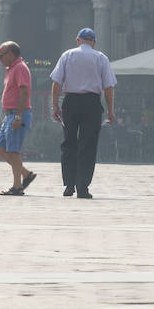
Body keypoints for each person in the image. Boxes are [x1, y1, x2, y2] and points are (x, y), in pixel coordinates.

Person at [50, 27, 117, 199]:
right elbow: (108, 87)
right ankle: (82, 187)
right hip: (91, 104)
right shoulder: (101, 58)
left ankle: (69, 185)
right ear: (93, 42)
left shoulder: (67, 55)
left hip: (70, 102)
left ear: (78, 40)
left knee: (69, 143)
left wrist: (54, 106)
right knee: (88, 145)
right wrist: (110, 111)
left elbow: (56, 82)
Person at [0, 41, 36, 196]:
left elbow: (24, 92)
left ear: (11, 54)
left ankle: (17, 186)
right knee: (0, 149)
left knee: (14, 151)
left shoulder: (20, 68)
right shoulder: (11, 69)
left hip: (18, 114)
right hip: (10, 115)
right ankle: (25, 174)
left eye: (1, 55)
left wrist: (18, 116)